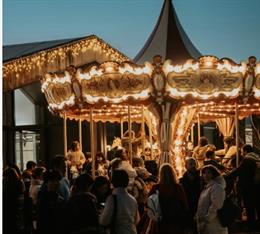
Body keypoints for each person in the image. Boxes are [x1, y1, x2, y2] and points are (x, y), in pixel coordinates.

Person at [148, 163, 192, 234]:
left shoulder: (156, 187)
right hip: (175, 220)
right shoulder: (178, 187)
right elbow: (185, 204)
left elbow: (148, 203)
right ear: (173, 173)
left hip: (161, 220)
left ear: (160, 174)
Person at [226, 144, 260, 230]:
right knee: (257, 206)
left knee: (250, 207)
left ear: (245, 151)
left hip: (248, 187)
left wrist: (226, 176)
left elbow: (238, 171)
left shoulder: (247, 160)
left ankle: (251, 225)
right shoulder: (257, 159)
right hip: (257, 186)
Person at [99, 169, 140, 234]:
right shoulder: (133, 199)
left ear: (113, 182)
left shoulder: (112, 199)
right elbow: (137, 220)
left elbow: (104, 221)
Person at [196, 165, 227, 234]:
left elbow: (216, 205)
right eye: (204, 173)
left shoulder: (217, 187)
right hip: (207, 223)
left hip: (214, 224)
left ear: (214, 174)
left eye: (208, 173)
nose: (205, 175)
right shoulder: (208, 187)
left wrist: (207, 218)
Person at [180, 157, 203, 234]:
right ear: (186, 166)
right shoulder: (181, 181)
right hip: (187, 212)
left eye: (194, 164)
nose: (193, 166)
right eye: (190, 164)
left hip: (199, 210)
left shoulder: (201, 180)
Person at [3, 167, 25, 234]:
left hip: (10, 211)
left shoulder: (9, 186)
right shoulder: (20, 183)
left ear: (8, 176)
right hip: (18, 211)